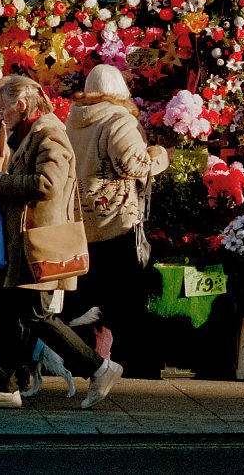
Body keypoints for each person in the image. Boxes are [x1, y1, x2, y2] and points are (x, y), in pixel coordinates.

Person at [0, 75, 122, 410]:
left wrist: (2, 182)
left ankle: (98, 367)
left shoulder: (50, 133)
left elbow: (47, 183)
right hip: (19, 242)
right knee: (6, 312)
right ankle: (4, 389)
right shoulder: (29, 132)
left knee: (35, 315)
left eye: (4, 108)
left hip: (36, 243)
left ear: (21, 104)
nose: (1, 115)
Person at [64, 64, 169, 369]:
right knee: (126, 296)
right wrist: (159, 157)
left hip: (82, 222)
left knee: (88, 294)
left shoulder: (74, 120)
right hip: (116, 220)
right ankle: (135, 362)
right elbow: (132, 166)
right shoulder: (118, 120)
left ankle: (87, 359)